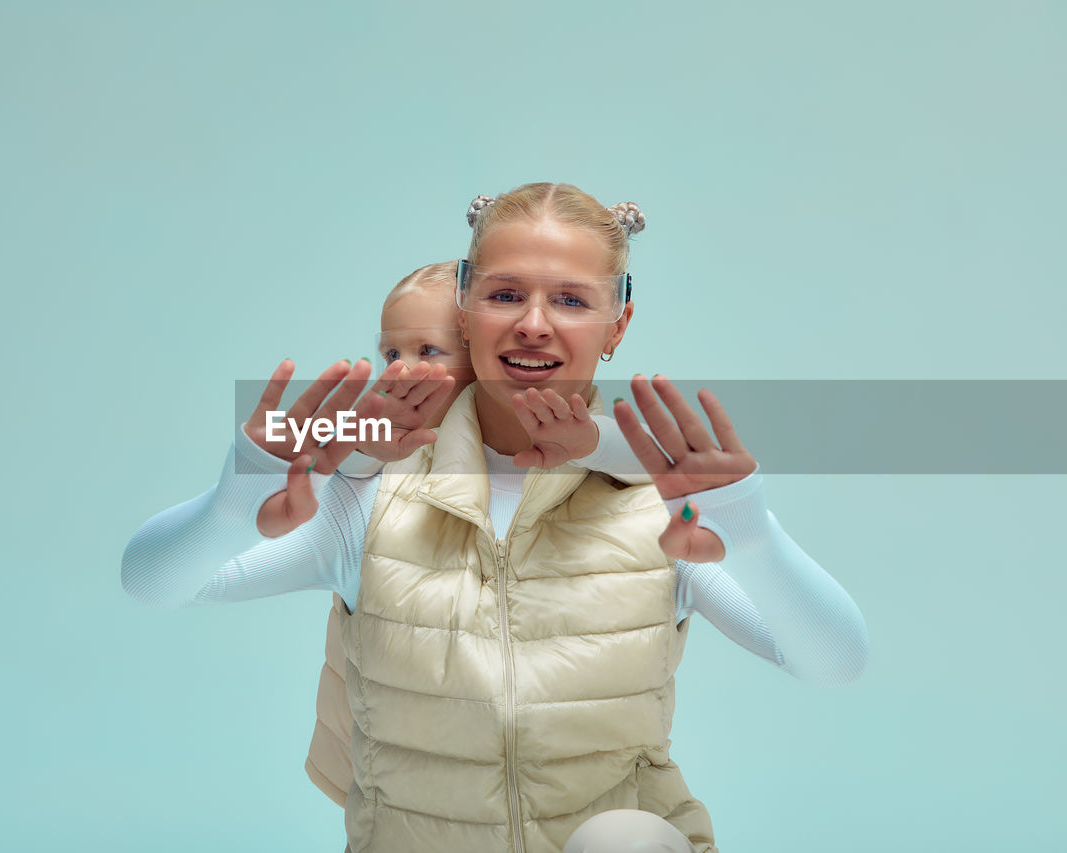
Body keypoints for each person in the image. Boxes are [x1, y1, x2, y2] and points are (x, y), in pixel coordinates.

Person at [121, 183, 870, 853]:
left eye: (572, 300)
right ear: (465, 311)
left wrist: (752, 534)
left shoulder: (656, 508)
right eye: (505, 296)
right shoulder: (373, 496)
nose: (534, 325)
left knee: (626, 839)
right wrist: (233, 504)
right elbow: (155, 582)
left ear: (618, 323)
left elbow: (833, 662)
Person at [308, 260, 689, 808]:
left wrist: (591, 441)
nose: (400, 371)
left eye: (428, 352)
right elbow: (330, 460)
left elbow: (656, 460)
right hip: (386, 742)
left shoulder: (575, 461)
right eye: (391, 353)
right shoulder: (383, 459)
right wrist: (359, 439)